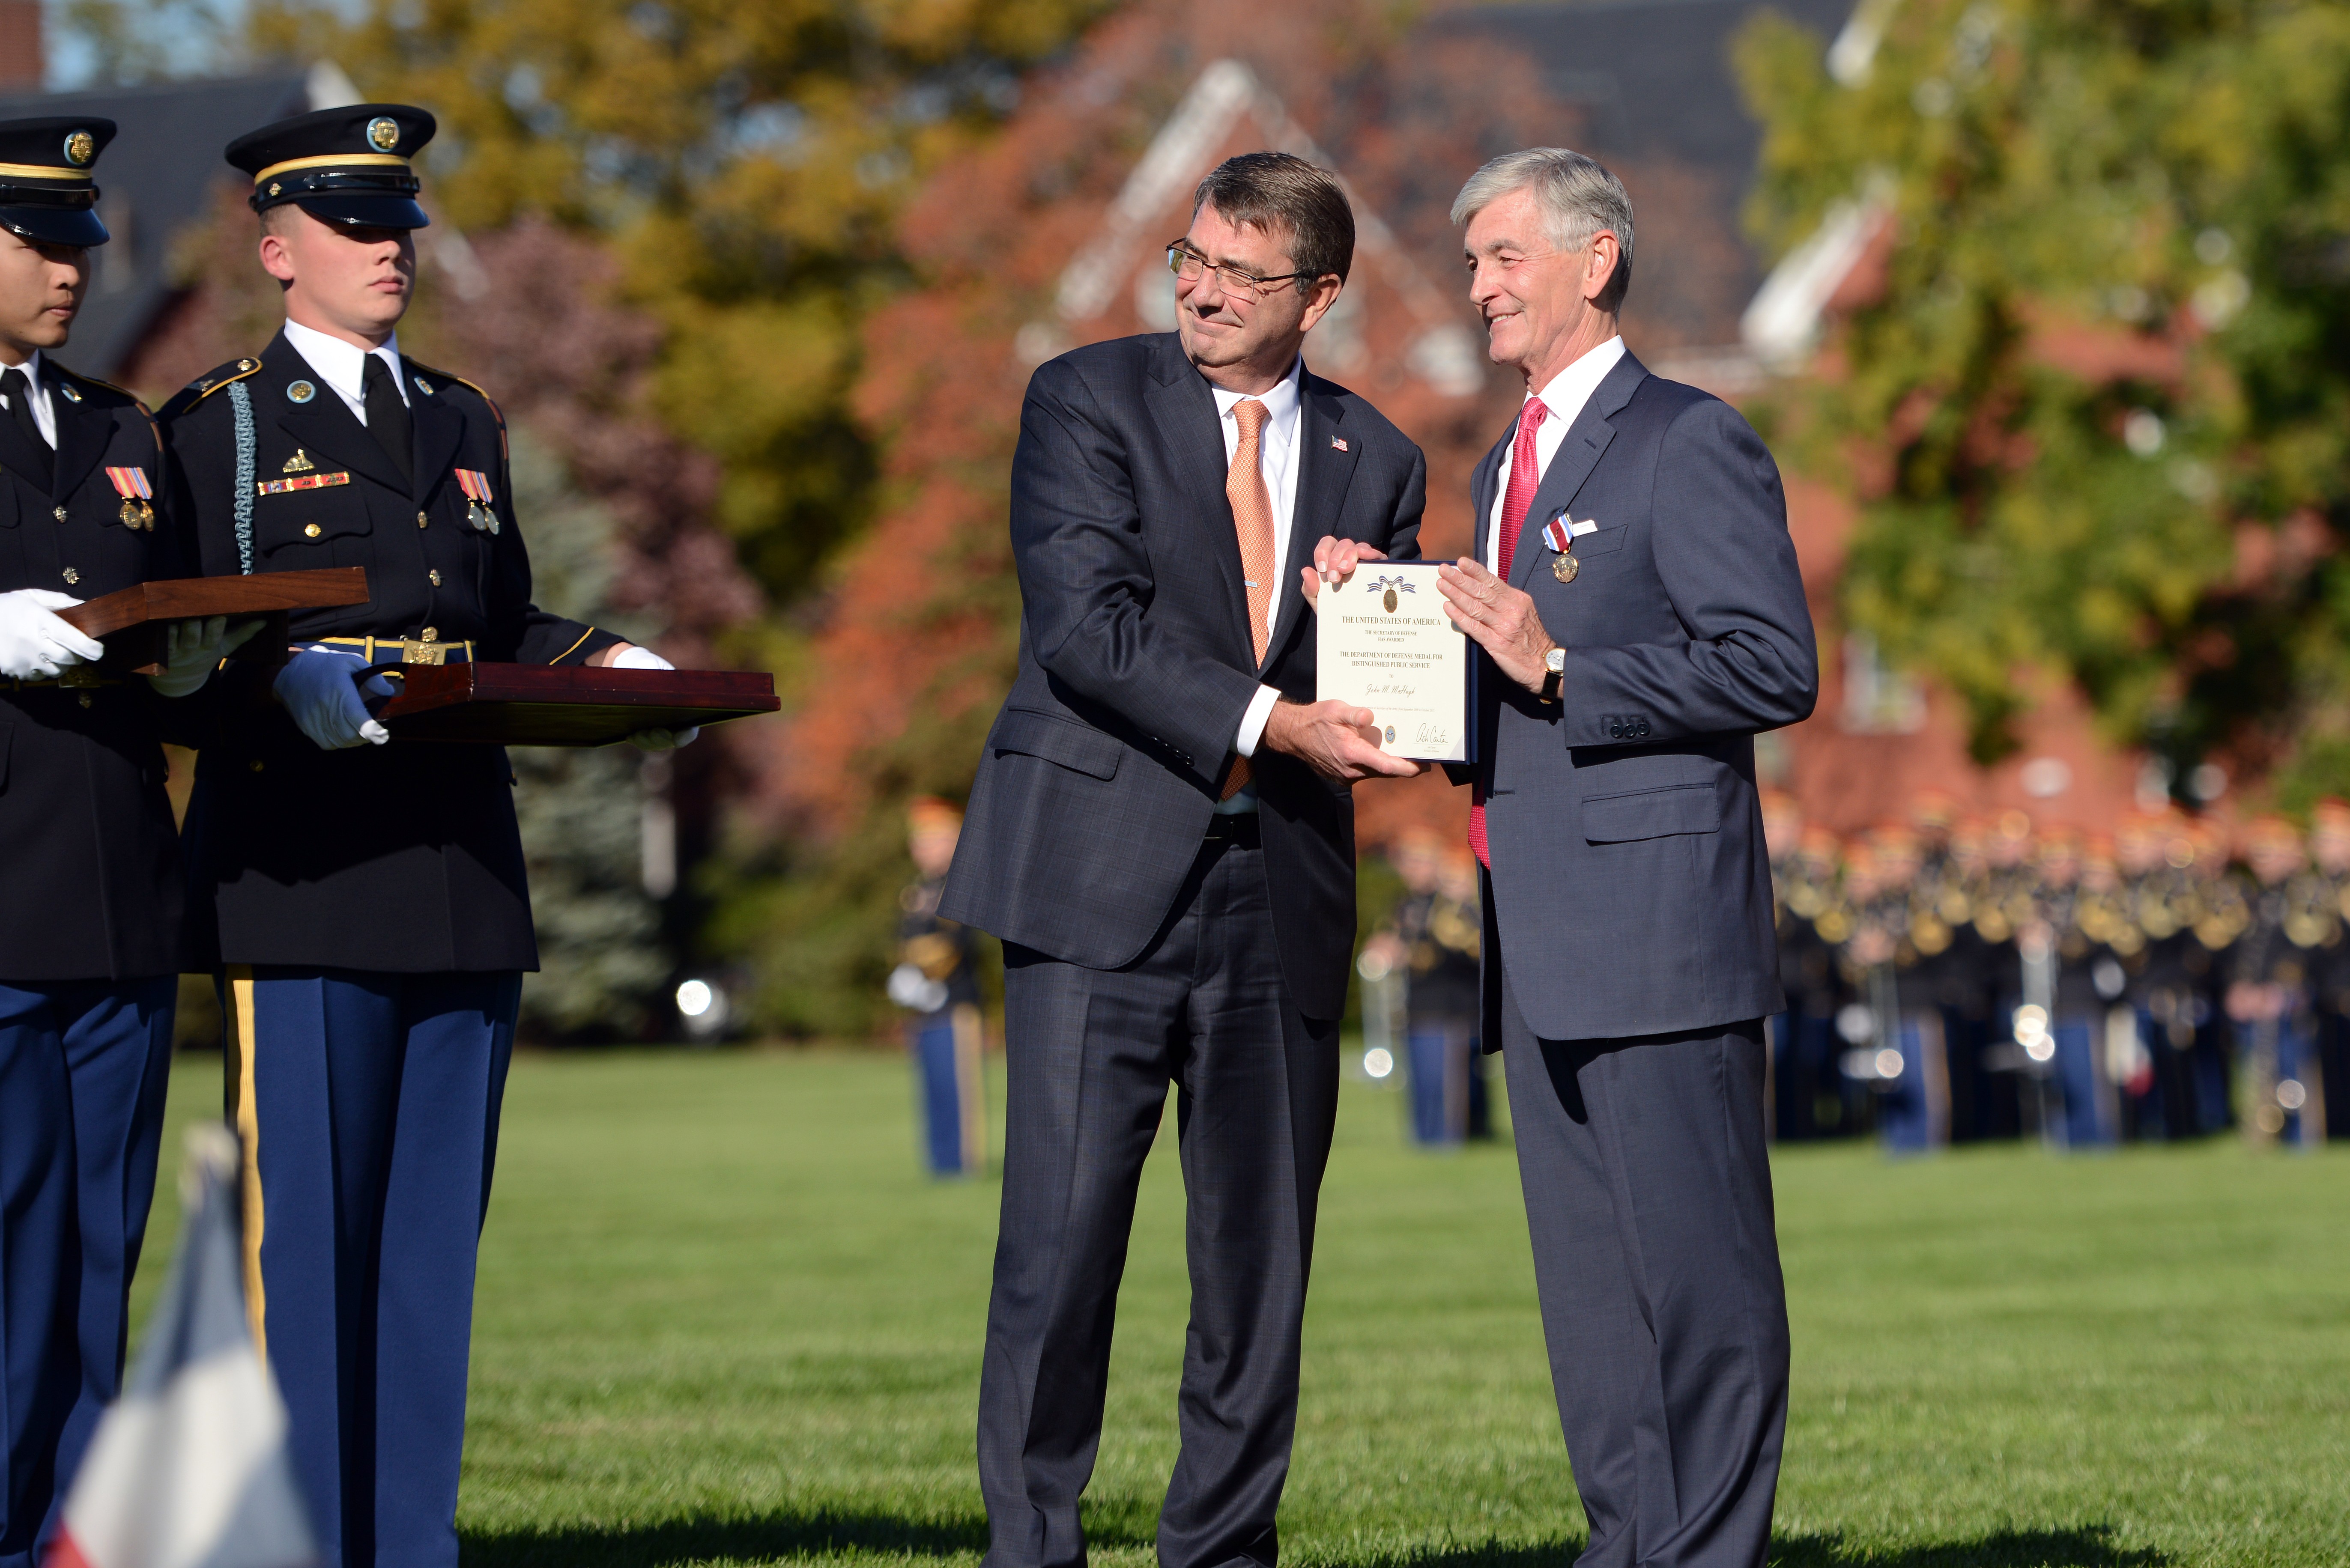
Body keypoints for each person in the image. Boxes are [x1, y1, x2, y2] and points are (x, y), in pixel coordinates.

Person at [158, 104, 691, 1568]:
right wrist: (283, 678)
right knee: (310, 1251)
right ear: (278, 250)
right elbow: (173, 651)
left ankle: (408, 1543)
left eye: (401, 219)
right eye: (353, 223)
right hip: (304, 879)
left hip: (458, 872)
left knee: (424, 1256)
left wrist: (613, 664)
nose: (393, 245)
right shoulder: (221, 425)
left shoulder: (461, 420)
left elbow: (500, 614)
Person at [939, 150, 1426, 1568]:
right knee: (1060, 1246)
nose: (1203, 292)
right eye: (1191, 260)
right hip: (1094, 879)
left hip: (1276, 893)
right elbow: (1088, 632)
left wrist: (1372, 612)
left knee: (1257, 1265)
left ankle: (1220, 1548)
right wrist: (1279, 712)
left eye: (1242, 273)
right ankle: (1033, 1546)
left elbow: (1374, 689)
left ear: (1317, 295)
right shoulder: (1083, 399)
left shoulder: (1375, 456)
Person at [1434, 148, 1817, 1568]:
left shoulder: (1687, 437)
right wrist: (1383, 636)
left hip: (1658, 933)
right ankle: (1628, 1547)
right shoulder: (1497, 467)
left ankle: (1707, 1553)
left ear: (1591, 264)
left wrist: (1561, 669)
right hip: (1534, 936)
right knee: (1589, 1298)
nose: (1474, 285)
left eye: (1499, 256)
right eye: (1470, 260)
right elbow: (1504, 686)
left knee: (1697, 1281)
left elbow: (1770, 663)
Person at [0, 114, 256, 1566]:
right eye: (38, 245)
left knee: (97, 1244)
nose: (68, 274)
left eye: (78, 247)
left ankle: (78, 1537)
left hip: (112, 889)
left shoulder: (116, 430)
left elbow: (165, 629)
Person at [891, 796, 987, 1177]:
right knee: (932, 1091)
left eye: (932, 839)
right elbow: (905, 939)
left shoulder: (958, 883)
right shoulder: (917, 891)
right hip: (924, 1008)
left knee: (956, 1091)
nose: (922, 848)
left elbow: (955, 942)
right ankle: (940, 1165)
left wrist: (924, 974)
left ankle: (960, 1166)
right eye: (919, 840)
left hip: (955, 1001)